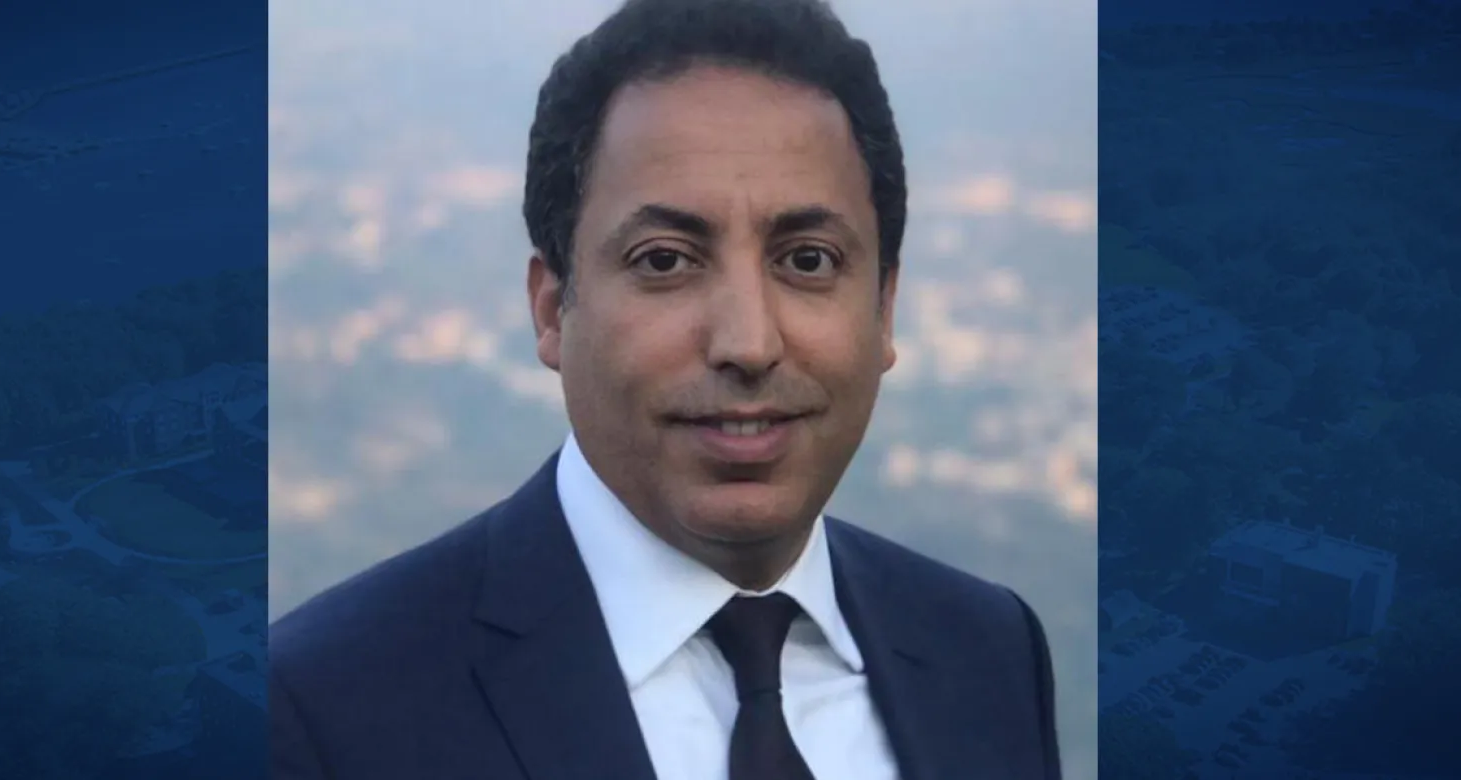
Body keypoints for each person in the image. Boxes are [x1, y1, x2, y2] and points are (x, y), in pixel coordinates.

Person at [269, 0, 1061, 777]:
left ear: (883, 309)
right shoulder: (322, 710)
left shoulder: (987, 653)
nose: (748, 342)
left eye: (808, 260)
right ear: (552, 308)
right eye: (664, 260)